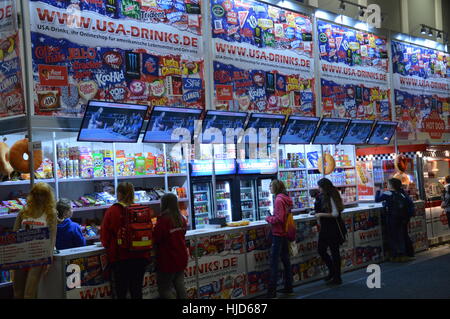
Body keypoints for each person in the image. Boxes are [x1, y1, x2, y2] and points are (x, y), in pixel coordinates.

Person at [100, 182, 150, 299]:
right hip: (140, 256)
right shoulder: (140, 209)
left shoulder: (113, 210)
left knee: (121, 291)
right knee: (137, 290)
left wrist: (107, 246)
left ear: (119, 194)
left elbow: (104, 235)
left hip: (120, 257)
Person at [12, 183, 57, 299]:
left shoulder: (51, 213)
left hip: (38, 254)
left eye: (42, 194)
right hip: (21, 254)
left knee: (29, 293)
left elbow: (52, 237)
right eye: (36, 194)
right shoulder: (24, 211)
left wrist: (49, 257)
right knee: (18, 293)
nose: (39, 197)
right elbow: (14, 233)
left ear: (47, 196)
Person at [153, 193, 188, 299]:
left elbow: (156, 238)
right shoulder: (181, 218)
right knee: (180, 285)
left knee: (165, 288)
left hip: (168, 259)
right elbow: (183, 234)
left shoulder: (163, 220)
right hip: (181, 257)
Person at [265, 179, 294, 298]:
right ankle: (289, 286)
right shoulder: (286, 198)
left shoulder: (278, 200)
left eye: (271, 186)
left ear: (276, 187)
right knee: (286, 261)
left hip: (278, 234)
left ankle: (272, 292)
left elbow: (279, 219)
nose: (269, 188)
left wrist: (268, 218)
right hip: (285, 233)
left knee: (274, 263)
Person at [375, 178, 414, 261]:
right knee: (402, 235)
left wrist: (378, 190)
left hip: (392, 218)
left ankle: (396, 255)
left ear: (391, 185)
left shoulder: (388, 193)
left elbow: (377, 199)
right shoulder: (402, 193)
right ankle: (406, 254)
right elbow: (409, 203)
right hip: (403, 218)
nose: (387, 185)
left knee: (393, 236)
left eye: (388, 184)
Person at [315, 178, 345, 286]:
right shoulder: (327, 196)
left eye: (320, 187)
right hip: (327, 228)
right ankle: (333, 272)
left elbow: (335, 214)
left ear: (324, 187)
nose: (319, 189)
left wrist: (320, 215)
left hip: (332, 228)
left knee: (333, 252)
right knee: (323, 250)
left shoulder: (330, 196)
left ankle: (337, 276)